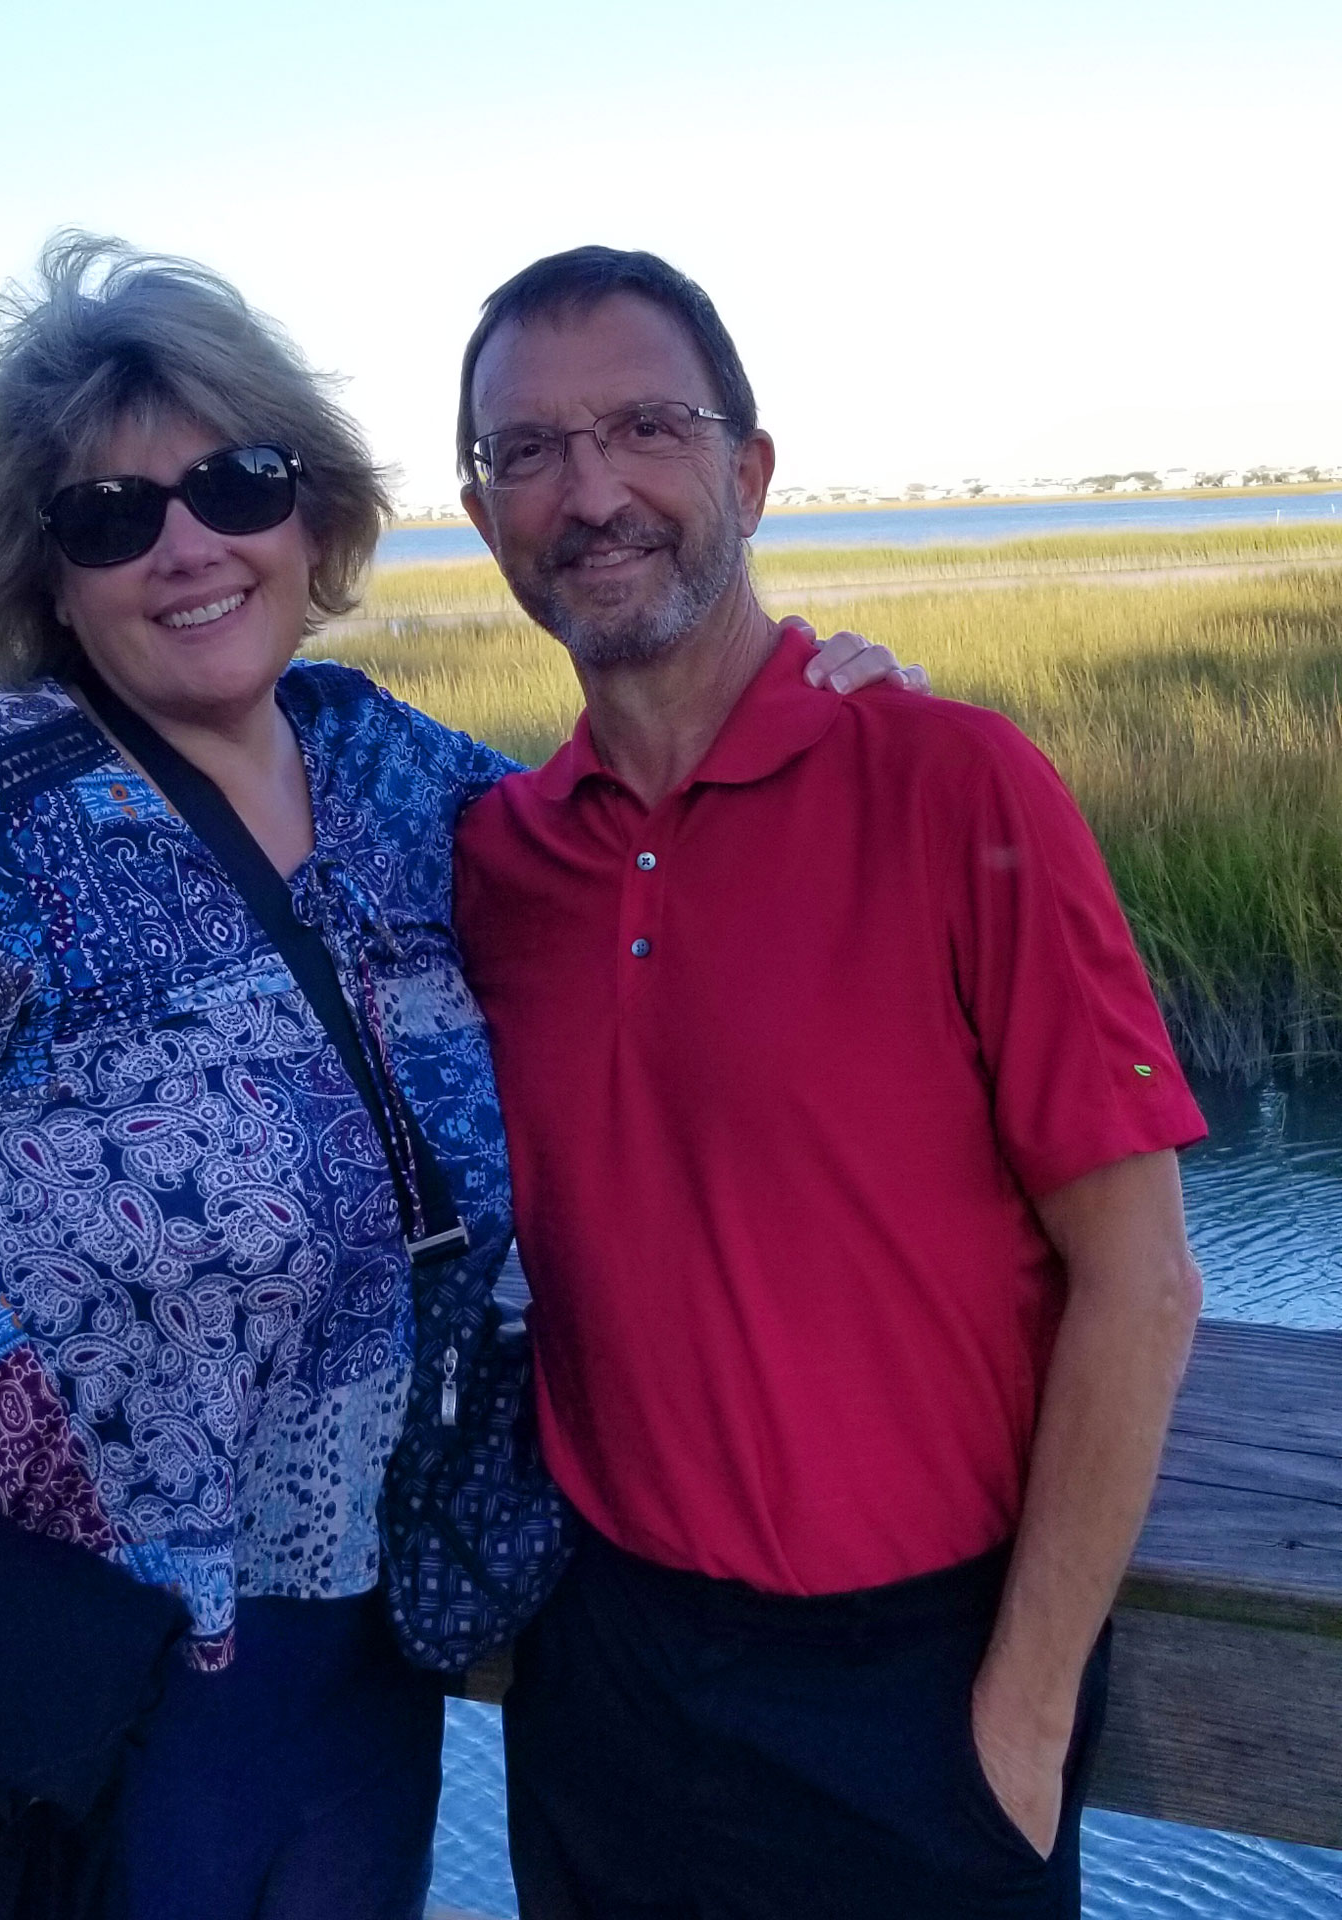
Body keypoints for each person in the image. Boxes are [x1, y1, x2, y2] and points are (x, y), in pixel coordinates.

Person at [0, 233, 911, 1920]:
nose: (187, 546)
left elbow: (652, 856)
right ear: (49, 575)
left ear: (310, 510)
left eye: (234, 485)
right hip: (72, 1671)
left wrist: (838, 714)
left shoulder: (396, 774)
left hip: (358, 1642)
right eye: (112, 515)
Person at [450, 244, 1209, 1920]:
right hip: (610, 1678)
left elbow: (1143, 1283)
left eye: (646, 426)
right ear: (485, 509)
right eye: (528, 452)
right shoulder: (492, 860)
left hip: (919, 1696)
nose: (592, 493)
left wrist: (1019, 1711)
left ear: (749, 469)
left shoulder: (958, 786)